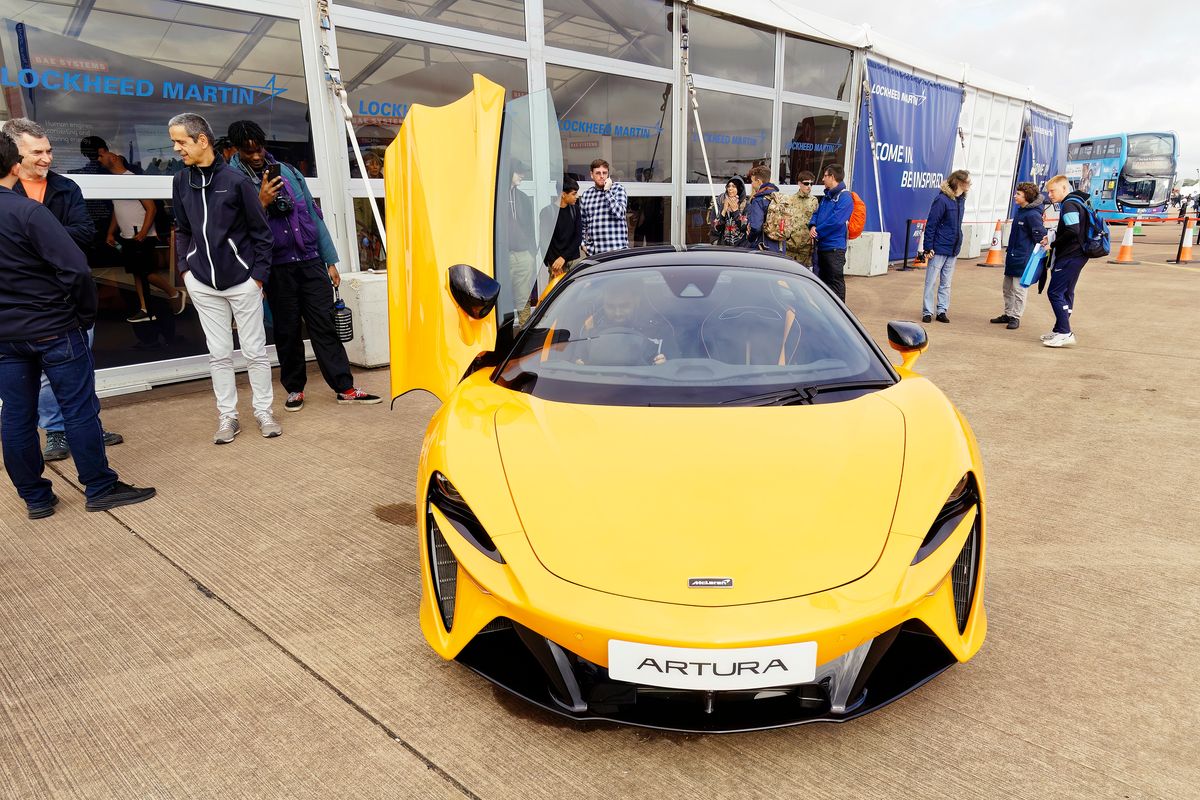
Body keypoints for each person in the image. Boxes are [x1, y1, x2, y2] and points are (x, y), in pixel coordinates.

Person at [0, 133, 155, 518]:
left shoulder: (29, 207)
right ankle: (100, 487)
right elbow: (75, 269)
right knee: (79, 409)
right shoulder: (27, 212)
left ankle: (35, 498)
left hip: (6, 336)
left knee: (17, 416)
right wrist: (84, 315)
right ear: (14, 166)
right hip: (54, 326)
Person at [226, 120, 380, 412]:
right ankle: (295, 388)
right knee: (287, 330)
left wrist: (330, 260)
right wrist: (260, 202)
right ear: (236, 150)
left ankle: (344, 387)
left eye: (258, 149)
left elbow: (312, 215)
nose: (256, 156)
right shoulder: (232, 180)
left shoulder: (289, 172)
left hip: (309, 261)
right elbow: (235, 229)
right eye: (248, 152)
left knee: (325, 325)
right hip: (276, 266)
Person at [2, 117, 123, 462]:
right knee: (37, 381)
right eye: (36, 152)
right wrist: (48, 241)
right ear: (14, 155)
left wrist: (36, 240)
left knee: (80, 371)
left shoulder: (66, 188)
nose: (46, 158)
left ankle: (88, 428)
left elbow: (85, 232)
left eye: (49, 150)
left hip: (67, 297)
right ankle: (55, 431)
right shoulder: (5, 192)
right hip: (23, 308)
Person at [168, 112, 281, 443]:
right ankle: (228, 417)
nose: (176, 149)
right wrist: (186, 271)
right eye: (173, 142)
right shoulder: (180, 182)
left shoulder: (236, 181)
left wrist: (257, 278)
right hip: (202, 283)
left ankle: (263, 412)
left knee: (254, 351)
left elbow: (261, 234)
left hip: (242, 281)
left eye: (180, 141)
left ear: (202, 140)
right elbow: (183, 230)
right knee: (218, 353)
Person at [102, 151, 187, 322]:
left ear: (114, 158)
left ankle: (174, 293)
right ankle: (145, 308)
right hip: (127, 235)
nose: (99, 159)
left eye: (101, 156)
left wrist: (142, 233)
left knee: (145, 272)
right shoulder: (113, 182)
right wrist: (111, 232)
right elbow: (117, 210)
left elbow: (151, 208)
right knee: (137, 273)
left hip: (141, 235)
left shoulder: (132, 179)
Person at [571, 275, 676, 366]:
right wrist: (578, 364)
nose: (617, 313)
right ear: (603, 303)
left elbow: (676, 365)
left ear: (636, 300)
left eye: (624, 306)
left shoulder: (659, 329)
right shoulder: (591, 327)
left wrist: (665, 364)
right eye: (610, 307)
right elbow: (577, 358)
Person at [1039, 174, 1093, 348]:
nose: (1050, 195)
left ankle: (1065, 332)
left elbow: (1072, 230)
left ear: (1064, 188)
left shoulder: (1069, 205)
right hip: (1079, 254)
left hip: (1070, 255)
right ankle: (1060, 328)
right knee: (1066, 292)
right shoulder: (1078, 202)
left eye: (1052, 191)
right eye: (1048, 192)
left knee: (1054, 293)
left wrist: (1053, 244)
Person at [992, 182, 1046, 331]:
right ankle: (1008, 313)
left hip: (1023, 259)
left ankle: (1016, 317)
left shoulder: (1032, 215)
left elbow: (1040, 237)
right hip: (1012, 257)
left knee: (1019, 289)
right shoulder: (1021, 211)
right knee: (1007, 288)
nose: (1015, 196)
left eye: (1018, 194)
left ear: (1027, 197)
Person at [920, 169, 971, 323]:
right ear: (959, 182)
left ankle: (942, 310)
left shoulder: (961, 200)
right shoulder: (941, 200)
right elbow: (932, 224)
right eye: (968, 182)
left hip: (953, 248)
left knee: (946, 283)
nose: (970, 185)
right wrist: (928, 247)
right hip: (940, 247)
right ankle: (927, 312)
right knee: (931, 281)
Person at [808, 163, 853, 301]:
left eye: (825, 176)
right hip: (822, 247)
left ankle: (840, 316)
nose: (822, 179)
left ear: (832, 177)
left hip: (834, 249)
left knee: (835, 283)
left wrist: (818, 231)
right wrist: (812, 226)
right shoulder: (827, 196)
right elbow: (817, 213)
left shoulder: (845, 197)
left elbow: (836, 221)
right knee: (823, 285)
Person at [578, 158, 629, 256]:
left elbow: (620, 213)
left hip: (617, 251)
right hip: (595, 253)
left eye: (604, 173)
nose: (602, 176)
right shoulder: (586, 195)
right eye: (598, 173)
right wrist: (583, 243)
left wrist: (607, 191)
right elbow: (582, 224)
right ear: (591, 175)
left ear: (608, 174)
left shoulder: (618, 189)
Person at [544, 174, 583, 279]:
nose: (577, 196)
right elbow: (545, 241)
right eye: (574, 194)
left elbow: (578, 238)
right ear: (563, 194)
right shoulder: (547, 212)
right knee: (558, 294)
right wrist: (554, 264)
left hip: (573, 261)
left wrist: (563, 258)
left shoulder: (575, 210)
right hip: (556, 264)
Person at [744, 165, 784, 253]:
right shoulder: (778, 197)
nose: (752, 184)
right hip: (780, 246)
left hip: (763, 247)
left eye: (752, 181)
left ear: (758, 181)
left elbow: (756, 227)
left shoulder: (758, 200)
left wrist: (749, 238)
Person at [785, 170, 819, 268]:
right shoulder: (790, 200)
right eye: (806, 183)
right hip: (790, 245)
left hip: (806, 246)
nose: (809, 186)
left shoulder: (814, 201)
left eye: (811, 183)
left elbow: (816, 221)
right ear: (799, 183)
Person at [708, 177, 749, 247]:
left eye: (734, 186)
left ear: (740, 189)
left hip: (741, 247)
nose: (730, 189)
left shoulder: (746, 206)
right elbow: (716, 228)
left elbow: (744, 227)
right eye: (728, 186)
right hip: (724, 247)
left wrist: (736, 211)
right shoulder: (721, 203)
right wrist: (724, 211)